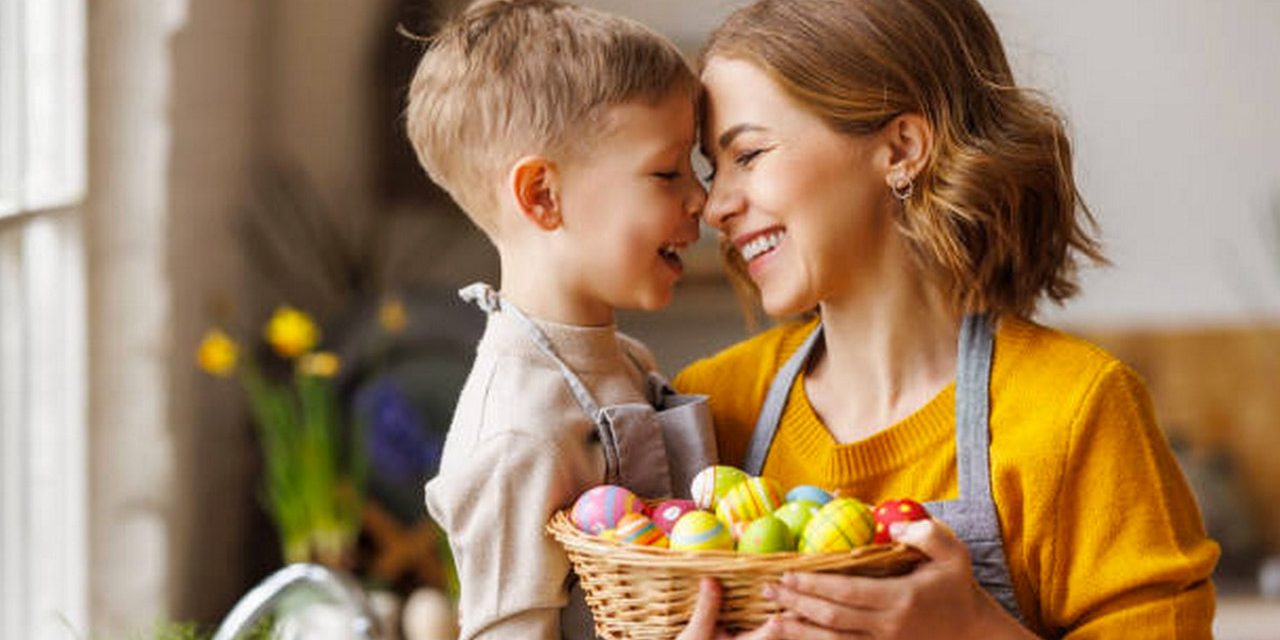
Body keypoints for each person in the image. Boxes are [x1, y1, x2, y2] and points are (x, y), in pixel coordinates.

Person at [674, 0, 1220, 637]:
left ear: (902, 148)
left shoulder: (1075, 414)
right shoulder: (710, 408)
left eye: (749, 155)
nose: (715, 207)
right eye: (714, 169)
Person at [405, 1, 714, 638]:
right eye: (666, 171)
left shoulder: (630, 362)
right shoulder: (519, 432)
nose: (701, 199)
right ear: (542, 196)